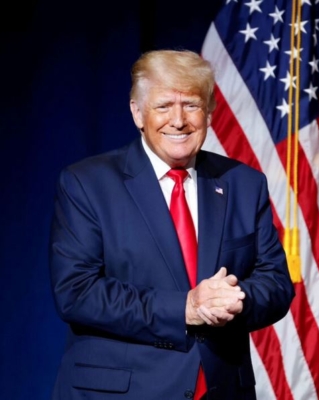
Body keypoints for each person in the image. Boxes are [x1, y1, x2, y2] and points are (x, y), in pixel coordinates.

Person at [49, 49, 295, 400]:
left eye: (192, 105)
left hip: (221, 389)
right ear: (137, 113)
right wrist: (186, 307)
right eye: (164, 106)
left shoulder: (244, 184)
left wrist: (233, 300)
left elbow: (276, 283)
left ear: (209, 111)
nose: (178, 120)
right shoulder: (87, 184)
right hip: (120, 392)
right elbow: (76, 291)